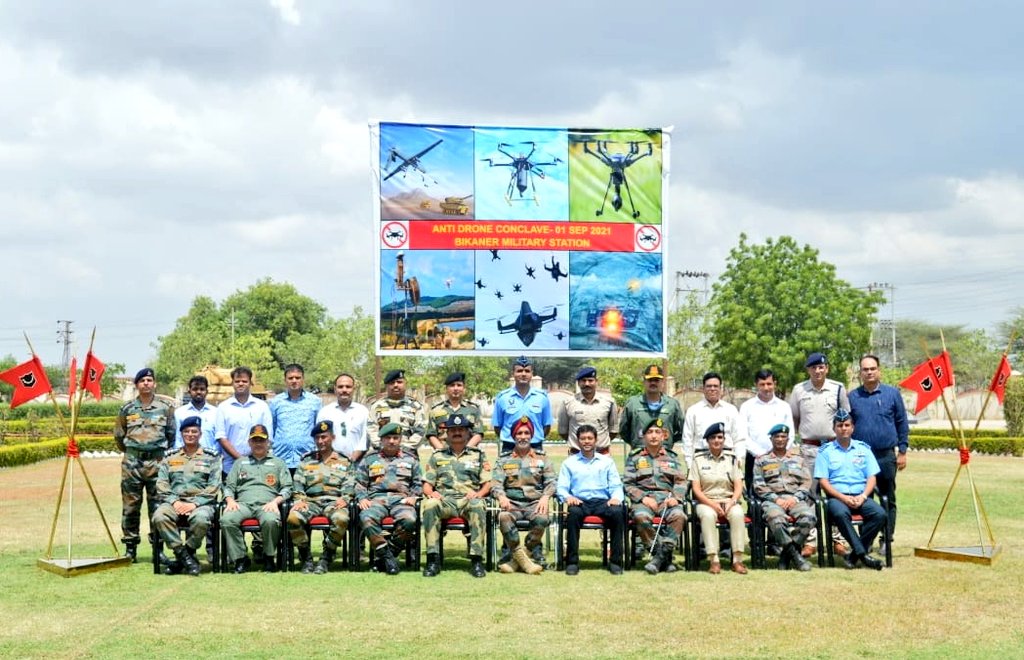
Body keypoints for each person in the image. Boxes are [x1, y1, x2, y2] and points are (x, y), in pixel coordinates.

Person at [788, 352, 850, 557]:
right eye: (813, 368)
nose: (817, 371)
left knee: (837, 493)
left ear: (827, 369)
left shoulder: (838, 388)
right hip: (809, 449)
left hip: (833, 448)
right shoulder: (799, 390)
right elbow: (794, 420)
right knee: (809, 495)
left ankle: (838, 539)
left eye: (821, 367)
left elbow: (845, 418)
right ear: (808, 370)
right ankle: (810, 541)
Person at [114, 367, 176, 562]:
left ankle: (158, 548)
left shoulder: (165, 407)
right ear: (137, 385)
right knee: (130, 507)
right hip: (132, 464)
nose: (146, 384)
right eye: (142, 381)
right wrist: (134, 452)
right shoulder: (127, 408)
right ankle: (130, 549)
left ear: (154, 383)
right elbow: (119, 436)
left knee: (157, 507)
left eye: (149, 380)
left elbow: (171, 435)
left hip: (156, 463)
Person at [848, 354, 909, 553]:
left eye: (872, 368)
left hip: (886, 456)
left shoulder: (892, 394)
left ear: (879, 370)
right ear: (860, 373)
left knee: (887, 497)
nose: (869, 372)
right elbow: (846, 426)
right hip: (861, 458)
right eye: (865, 369)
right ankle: (867, 540)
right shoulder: (852, 397)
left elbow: (902, 423)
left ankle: (887, 538)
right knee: (864, 498)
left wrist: (902, 451)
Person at [814, 410, 887, 570]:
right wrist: (843, 498)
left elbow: (871, 478)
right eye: (840, 425)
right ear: (834, 429)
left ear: (853, 428)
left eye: (847, 425)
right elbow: (823, 482)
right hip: (837, 498)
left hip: (861, 496)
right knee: (840, 513)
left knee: (880, 514)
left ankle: (854, 555)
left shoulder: (864, 449)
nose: (843, 428)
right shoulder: (825, 452)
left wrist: (863, 496)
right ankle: (863, 555)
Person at [421, 414, 492, 578]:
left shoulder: (478, 455)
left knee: (478, 505)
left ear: (468, 433)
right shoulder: (437, 455)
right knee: (430, 504)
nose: (457, 433)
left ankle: (476, 560)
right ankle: (433, 559)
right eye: (453, 430)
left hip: (469, 500)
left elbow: (487, 484)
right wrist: (432, 494)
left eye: (461, 429)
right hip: (445, 500)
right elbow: (426, 485)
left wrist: (478, 494)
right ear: (447, 434)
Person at [151, 415, 221, 576]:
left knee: (201, 519)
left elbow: (214, 486)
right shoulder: (170, 456)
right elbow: (161, 484)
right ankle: (183, 554)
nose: (190, 435)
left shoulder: (211, 457)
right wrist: (174, 502)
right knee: (159, 517)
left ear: (200, 434)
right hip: (174, 501)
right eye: (187, 431)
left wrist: (194, 504)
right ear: (181, 434)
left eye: (194, 432)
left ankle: (186, 553)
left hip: (201, 504)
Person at [221, 424, 293, 573]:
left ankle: (268, 557)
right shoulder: (240, 462)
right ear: (249, 442)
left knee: (270, 520)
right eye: (255, 440)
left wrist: (275, 502)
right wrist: (230, 500)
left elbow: (287, 488)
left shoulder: (278, 463)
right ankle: (241, 559)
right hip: (243, 505)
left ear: (268, 442)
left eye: (262, 440)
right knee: (226, 520)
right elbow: (228, 486)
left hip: (267, 505)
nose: (258, 444)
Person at [355, 422, 423, 575]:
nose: (392, 441)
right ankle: (387, 557)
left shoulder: (411, 459)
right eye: (388, 438)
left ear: (400, 440)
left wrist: (414, 497)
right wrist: (362, 498)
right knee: (366, 518)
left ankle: (386, 555)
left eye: (395, 438)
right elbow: (360, 483)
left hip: (401, 500)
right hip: (376, 500)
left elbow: (418, 483)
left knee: (410, 520)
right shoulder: (370, 459)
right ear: (381, 440)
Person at [556, 424, 625, 575]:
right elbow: (561, 487)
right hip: (580, 502)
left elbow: (616, 485)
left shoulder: (607, 462)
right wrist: (568, 497)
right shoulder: (569, 463)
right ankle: (572, 562)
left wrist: (616, 498)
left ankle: (615, 562)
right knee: (573, 514)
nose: (586, 441)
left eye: (589, 438)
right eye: (583, 438)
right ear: (578, 441)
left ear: (596, 440)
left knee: (618, 513)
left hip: (603, 502)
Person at [287, 420, 354, 574]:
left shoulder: (345, 460)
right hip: (311, 502)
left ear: (333, 437)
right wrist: (299, 500)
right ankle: (306, 558)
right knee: (293, 518)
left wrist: (345, 498)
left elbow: (350, 484)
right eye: (317, 438)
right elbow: (297, 483)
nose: (320, 441)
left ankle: (326, 556)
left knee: (342, 519)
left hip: (334, 502)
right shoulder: (306, 460)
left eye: (324, 437)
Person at [491, 416, 555, 575]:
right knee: (504, 517)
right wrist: (501, 497)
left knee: (542, 518)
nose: (523, 436)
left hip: (535, 503)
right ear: (513, 436)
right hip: (512, 503)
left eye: (527, 433)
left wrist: (546, 497)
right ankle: (525, 560)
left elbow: (552, 482)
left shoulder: (542, 458)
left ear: (531, 435)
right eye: (519, 433)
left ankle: (517, 559)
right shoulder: (504, 460)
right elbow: (495, 484)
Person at [623, 418, 688, 575]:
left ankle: (659, 558)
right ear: (643, 436)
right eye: (650, 432)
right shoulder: (635, 458)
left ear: (663, 436)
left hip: (667, 499)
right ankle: (665, 557)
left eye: (657, 432)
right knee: (640, 516)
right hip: (645, 500)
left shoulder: (671, 457)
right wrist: (643, 498)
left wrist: (676, 497)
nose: (653, 435)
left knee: (679, 516)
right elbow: (627, 484)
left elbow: (681, 481)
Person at [752, 424, 815, 572]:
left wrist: (795, 498)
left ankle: (786, 555)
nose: (780, 439)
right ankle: (796, 557)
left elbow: (806, 482)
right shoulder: (762, 460)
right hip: (773, 501)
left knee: (809, 518)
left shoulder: (799, 459)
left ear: (788, 439)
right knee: (776, 519)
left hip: (795, 499)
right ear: (771, 439)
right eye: (777, 437)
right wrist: (776, 499)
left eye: (783, 437)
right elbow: (759, 485)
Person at [689, 422, 747, 574]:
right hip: (706, 501)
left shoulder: (732, 459)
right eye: (713, 437)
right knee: (708, 516)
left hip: (729, 500)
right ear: (707, 441)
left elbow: (738, 485)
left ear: (724, 440)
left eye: (720, 437)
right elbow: (696, 489)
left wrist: (733, 501)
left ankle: (737, 560)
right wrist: (713, 504)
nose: (717, 440)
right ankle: (714, 559)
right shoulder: (698, 460)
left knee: (738, 513)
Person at [739, 369, 794, 486]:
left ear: (775, 383)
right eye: (762, 384)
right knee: (754, 497)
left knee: (782, 492)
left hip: (780, 458)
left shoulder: (784, 406)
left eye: (769, 384)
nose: (766, 388)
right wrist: (761, 453)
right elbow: (743, 435)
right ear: (756, 385)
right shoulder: (747, 407)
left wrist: (779, 452)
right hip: (754, 458)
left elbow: (791, 433)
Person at [215, 366, 273, 476]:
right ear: (232, 383)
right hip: (230, 467)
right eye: (237, 381)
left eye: (244, 381)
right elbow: (221, 437)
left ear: (250, 383)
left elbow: (268, 436)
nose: (240, 384)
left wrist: (251, 457)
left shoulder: (262, 407)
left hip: (258, 465)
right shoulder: (223, 407)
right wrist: (240, 459)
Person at [682, 371, 748, 467]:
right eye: (709, 386)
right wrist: (689, 464)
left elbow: (739, 438)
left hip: (727, 458)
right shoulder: (693, 411)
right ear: (703, 389)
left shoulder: (731, 410)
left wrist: (739, 458)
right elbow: (687, 439)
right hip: (701, 458)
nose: (712, 389)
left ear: (721, 388)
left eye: (715, 386)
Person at [492, 356, 552, 453]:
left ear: (532, 374)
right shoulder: (502, 398)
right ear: (513, 374)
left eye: (527, 371)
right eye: (519, 371)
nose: (523, 374)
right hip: (509, 447)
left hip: (535, 446)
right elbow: (497, 426)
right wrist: (512, 439)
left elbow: (546, 426)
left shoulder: (542, 398)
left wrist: (532, 439)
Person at [618, 364, 684, 450]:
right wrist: (637, 442)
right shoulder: (633, 404)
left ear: (662, 383)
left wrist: (668, 442)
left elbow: (681, 430)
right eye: (650, 380)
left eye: (656, 380)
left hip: (664, 453)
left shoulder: (672, 404)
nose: (653, 383)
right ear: (644, 382)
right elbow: (623, 431)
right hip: (640, 454)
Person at [269, 363, 321, 472]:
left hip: (307, 459)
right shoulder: (276, 402)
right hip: (281, 459)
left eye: (297, 378)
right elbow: (272, 428)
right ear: (285, 380)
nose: (294, 381)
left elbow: (318, 429)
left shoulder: (315, 402)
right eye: (290, 378)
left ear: (303, 379)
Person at [558, 365, 617, 454]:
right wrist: (581, 445)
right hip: (576, 455)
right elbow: (563, 432)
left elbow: (613, 431)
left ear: (596, 382)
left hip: (602, 455)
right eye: (583, 380)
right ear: (578, 383)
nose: (587, 384)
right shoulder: (568, 403)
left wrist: (598, 444)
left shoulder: (609, 402)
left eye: (590, 380)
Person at [367, 369, 427, 451]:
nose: (396, 385)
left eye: (399, 382)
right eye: (392, 383)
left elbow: (421, 430)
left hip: (408, 453)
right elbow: (371, 429)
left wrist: (405, 448)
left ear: (405, 384)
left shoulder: (416, 406)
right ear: (386, 386)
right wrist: (382, 447)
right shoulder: (376, 406)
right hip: (381, 453)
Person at [316, 372, 370, 463]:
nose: (344, 390)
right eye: (340, 387)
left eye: (348, 387)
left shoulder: (363, 411)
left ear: (353, 389)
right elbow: (319, 437)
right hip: (331, 462)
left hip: (358, 462)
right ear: (335, 389)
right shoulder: (325, 412)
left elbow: (365, 437)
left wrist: (355, 456)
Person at [425, 371, 484, 450]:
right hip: (443, 455)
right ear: (446, 389)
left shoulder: (473, 409)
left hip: (469, 454)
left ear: (464, 388)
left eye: (459, 385)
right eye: (452, 385)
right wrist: (442, 452)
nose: (456, 388)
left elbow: (478, 433)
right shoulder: (436, 410)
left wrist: (466, 450)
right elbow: (431, 434)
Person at [172, 375, 218, 451]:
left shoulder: (216, 412)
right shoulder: (180, 413)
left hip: (210, 458)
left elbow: (218, 438)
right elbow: (178, 439)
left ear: (207, 391)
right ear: (189, 391)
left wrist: (215, 456)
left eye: (202, 389)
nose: (198, 392)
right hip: (186, 458)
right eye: (195, 389)